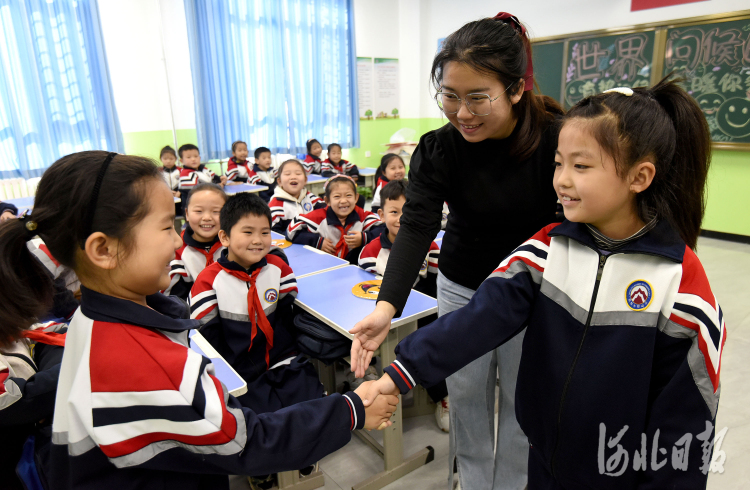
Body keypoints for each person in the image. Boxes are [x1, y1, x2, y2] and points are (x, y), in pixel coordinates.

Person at [362, 78, 724, 489]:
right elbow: (477, 319)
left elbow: (684, 432)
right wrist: (398, 373)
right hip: (545, 465)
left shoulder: (681, 286)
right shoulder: (547, 250)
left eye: (581, 166)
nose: (562, 180)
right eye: (558, 163)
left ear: (639, 177)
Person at [0, 151, 398, 489]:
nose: (178, 240)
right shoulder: (143, 358)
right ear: (103, 249)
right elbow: (248, 443)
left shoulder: (91, 318)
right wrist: (354, 408)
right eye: (165, 227)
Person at [349, 13, 564, 490]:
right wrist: (387, 307)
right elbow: (419, 223)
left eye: (477, 98)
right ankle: (470, 479)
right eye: (449, 95)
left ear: (515, 89)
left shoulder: (556, 139)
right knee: (465, 395)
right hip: (463, 284)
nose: (462, 112)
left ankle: (510, 483)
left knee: (520, 400)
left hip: (532, 291)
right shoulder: (440, 148)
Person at [190, 193, 323, 412]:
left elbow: (286, 315)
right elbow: (208, 340)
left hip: (280, 357)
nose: (257, 240)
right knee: (260, 424)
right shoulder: (208, 282)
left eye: (264, 232)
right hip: (238, 368)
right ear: (224, 237)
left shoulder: (278, 267)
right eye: (248, 232)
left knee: (313, 405)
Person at [357, 180, 448, 429]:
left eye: (407, 212)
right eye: (394, 212)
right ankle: (379, 383)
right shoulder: (369, 252)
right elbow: (368, 292)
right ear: (381, 214)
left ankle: (441, 395)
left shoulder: (431, 247)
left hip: (422, 314)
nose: (400, 218)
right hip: (387, 316)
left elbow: (434, 285)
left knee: (431, 340)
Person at [0, 319, 66, 490]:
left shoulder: (10, 319)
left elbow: (52, 333)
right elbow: (15, 403)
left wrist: (43, 402)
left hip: (42, 448)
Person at [287, 175, 383, 264]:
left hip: (354, 267)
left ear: (356, 198)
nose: (343, 201)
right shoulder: (319, 217)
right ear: (327, 201)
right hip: (324, 266)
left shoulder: (362, 216)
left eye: (348, 195)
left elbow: (383, 229)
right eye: (337, 196)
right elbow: (291, 229)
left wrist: (364, 238)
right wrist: (317, 241)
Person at [164, 183, 227, 300]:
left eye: (216, 211)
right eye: (199, 211)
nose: (207, 217)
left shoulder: (234, 245)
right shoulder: (177, 253)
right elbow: (173, 302)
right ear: (187, 214)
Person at [269, 159, 325, 234]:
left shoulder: (309, 197)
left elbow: (326, 208)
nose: (293, 177)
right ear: (280, 182)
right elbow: (274, 234)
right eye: (287, 174)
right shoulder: (276, 205)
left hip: (312, 241)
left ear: (305, 180)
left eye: (298, 174)